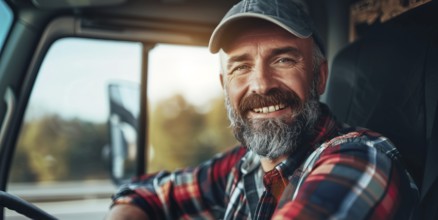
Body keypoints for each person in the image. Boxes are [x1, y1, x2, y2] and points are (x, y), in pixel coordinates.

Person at [106, 0, 419, 219]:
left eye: (283, 60)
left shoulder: (363, 157)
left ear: (319, 76)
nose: (260, 84)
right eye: (241, 67)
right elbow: (148, 191)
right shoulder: (242, 166)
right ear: (224, 85)